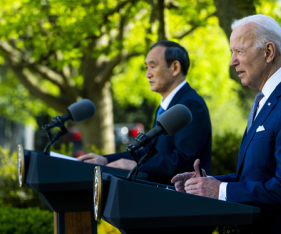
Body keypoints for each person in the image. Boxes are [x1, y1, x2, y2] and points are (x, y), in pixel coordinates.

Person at [171, 15, 281, 234]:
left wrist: (220, 191)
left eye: (239, 51)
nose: (232, 61)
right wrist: (207, 184)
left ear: (268, 52)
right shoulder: (264, 100)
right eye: (231, 52)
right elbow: (257, 176)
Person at [78, 40, 212, 184]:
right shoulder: (165, 106)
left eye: (153, 66)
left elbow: (186, 162)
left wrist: (138, 166)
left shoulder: (189, 105)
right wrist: (105, 160)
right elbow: (148, 153)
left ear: (175, 67)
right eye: (146, 67)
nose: (148, 74)